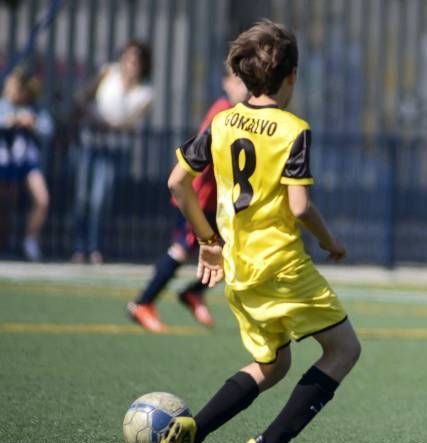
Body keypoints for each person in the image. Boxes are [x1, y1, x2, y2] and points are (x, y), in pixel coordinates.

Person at [148, 19, 361, 443]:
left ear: (244, 77)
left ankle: (192, 430)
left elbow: (176, 184)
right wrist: (331, 243)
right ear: (291, 77)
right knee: (345, 350)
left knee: (273, 364)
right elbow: (300, 206)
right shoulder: (293, 129)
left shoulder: (222, 121)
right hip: (283, 265)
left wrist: (207, 240)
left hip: (239, 269)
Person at [127, 69, 248, 332]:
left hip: (216, 201)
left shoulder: (238, 114)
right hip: (200, 200)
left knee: (234, 253)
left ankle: (193, 294)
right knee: (184, 249)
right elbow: (204, 151)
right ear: (225, 82)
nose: (244, 88)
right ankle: (143, 303)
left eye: (247, 82)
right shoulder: (222, 111)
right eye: (238, 81)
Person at [71, 40, 153, 264]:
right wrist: (92, 116)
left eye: (136, 59)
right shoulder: (108, 72)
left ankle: (95, 246)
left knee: (100, 198)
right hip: (90, 142)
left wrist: (111, 124)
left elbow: (132, 123)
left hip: (114, 148)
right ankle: (79, 246)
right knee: (82, 197)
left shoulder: (145, 92)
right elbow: (83, 97)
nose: (131, 63)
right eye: (128, 57)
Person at [0, 68, 53, 261]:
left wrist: (33, 123)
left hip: (27, 163)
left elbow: (48, 129)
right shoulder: (3, 106)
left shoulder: (34, 109)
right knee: (5, 206)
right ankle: (5, 245)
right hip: (4, 163)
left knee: (42, 199)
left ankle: (29, 241)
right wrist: (10, 121)